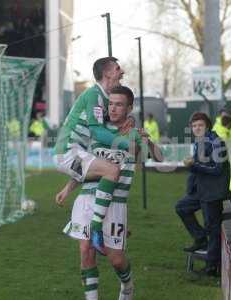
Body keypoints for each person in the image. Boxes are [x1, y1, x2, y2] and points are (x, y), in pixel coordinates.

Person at [56, 85, 163, 300]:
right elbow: (87, 166)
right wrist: (68, 188)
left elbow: (160, 158)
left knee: (116, 259)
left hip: (115, 203)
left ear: (129, 108)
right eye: (110, 104)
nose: (113, 108)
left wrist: (147, 141)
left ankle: (128, 284)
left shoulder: (133, 134)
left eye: (119, 105)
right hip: (87, 198)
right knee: (86, 250)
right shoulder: (97, 132)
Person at [54, 57, 134, 254]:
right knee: (112, 170)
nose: (122, 71)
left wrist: (67, 188)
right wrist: (127, 142)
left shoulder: (104, 98)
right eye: (117, 68)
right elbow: (98, 132)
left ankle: (98, 226)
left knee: (108, 170)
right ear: (107, 74)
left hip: (77, 154)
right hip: (68, 152)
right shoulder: (93, 95)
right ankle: (97, 228)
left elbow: (109, 128)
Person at [175, 112, 230, 276]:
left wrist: (195, 165)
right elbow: (198, 165)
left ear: (207, 126)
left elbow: (217, 169)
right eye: (194, 126)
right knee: (181, 208)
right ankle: (200, 239)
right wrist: (191, 185)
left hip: (213, 192)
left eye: (200, 125)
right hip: (200, 190)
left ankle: (212, 266)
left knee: (212, 228)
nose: (197, 128)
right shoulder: (199, 141)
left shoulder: (216, 142)